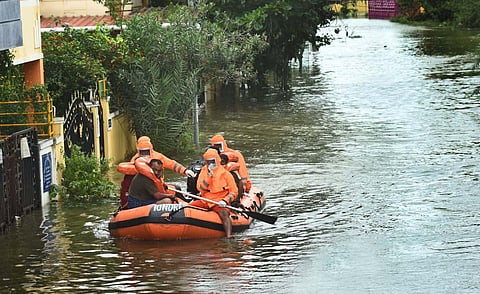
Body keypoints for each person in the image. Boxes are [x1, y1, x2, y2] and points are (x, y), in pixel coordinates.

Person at [191, 148, 238, 238]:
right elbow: (200, 189)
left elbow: (234, 191)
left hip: (219, 202)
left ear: (217, 160)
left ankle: (229, 236)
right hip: (205, 200)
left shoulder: (226, 174)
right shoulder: (203, 172)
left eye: (212, 161)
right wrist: (209, 177)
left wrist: (225, 200)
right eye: (208, 162)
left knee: (224, 214)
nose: (210, 164)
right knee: (188, 207)